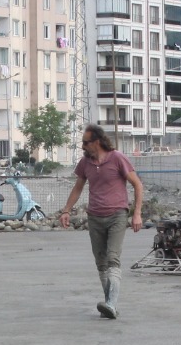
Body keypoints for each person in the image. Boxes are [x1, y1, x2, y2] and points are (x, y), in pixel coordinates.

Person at [60, 124, 145, 319]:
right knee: (101, 262)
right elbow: (78, 188)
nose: (83, 146)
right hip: (95, 217)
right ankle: (109, 304)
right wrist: (66, 210)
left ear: (97, 141)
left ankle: (111, 303)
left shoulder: (117, 158)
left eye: (86, 142)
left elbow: (137, 185)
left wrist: (137, 213)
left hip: (117, 215)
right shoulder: (85, 163)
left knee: (112, 257)